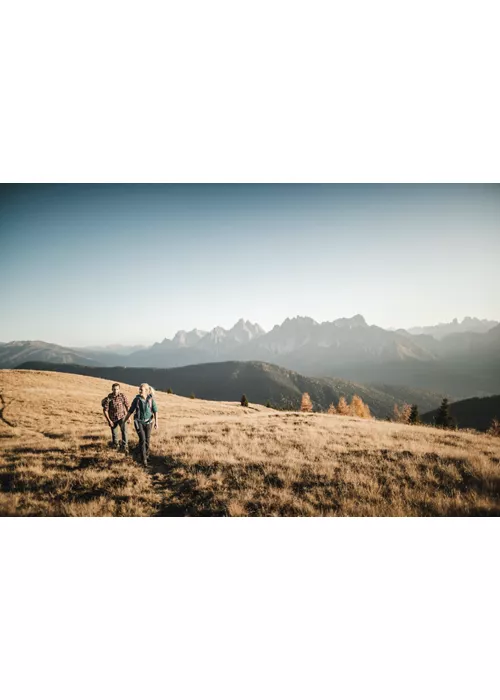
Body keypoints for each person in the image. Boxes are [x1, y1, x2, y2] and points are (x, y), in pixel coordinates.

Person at [123, 383, 158, 467]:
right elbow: (131, 410)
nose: (140, 391)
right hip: (138, 422)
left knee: (147, 440)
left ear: (146, 391)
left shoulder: (151, 399)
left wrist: (156, 422)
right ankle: (144, 460)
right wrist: (124, 420)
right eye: (139, 389)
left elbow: (155, 411)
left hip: (149, 422)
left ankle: (146, 455)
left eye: (141, 390)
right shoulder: (137, 399)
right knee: (142, 440)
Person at [101, 383, 130, 453]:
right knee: (114, 434)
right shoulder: (109, 398)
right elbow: (105, 410)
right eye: (114, 389)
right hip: (113, 419)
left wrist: (128, 417)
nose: (115, 391)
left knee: (124, 432)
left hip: (122, 417)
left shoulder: (122, 396)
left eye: (117, 389)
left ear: (119, 389)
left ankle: (125, 447)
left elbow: (127, 406)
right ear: (112, 389)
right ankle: (116, 446)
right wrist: (109, 421)